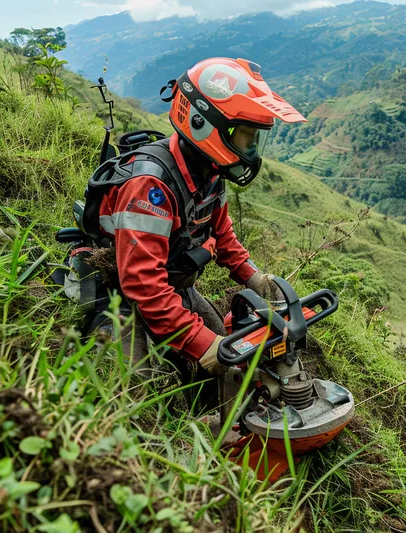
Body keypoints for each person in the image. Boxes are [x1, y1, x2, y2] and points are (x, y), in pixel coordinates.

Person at [79, 57, 306, 413]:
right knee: (132, 389)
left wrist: (255, 277)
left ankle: (213, 429)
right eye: (244, 136)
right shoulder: (150, 187)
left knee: (229, 351)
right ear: (202, 124)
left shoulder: (210, 174)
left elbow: (224, 235)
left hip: (175, 283)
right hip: (121, 294)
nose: (250, 150)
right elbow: (143, 285)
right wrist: (201, 343)